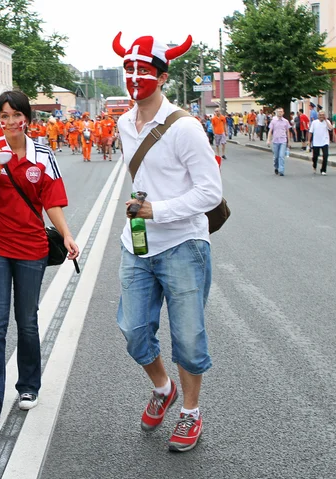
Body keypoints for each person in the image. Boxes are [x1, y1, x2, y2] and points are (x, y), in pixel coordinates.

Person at [112, 31, 222, 452]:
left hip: (183, 245)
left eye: (143, 70)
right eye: (129, 69)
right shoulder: (124, 122)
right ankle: (163, 387)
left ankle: (190, 413)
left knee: (189, 337)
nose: (135, 77)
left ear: (162, 77)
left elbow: (210, 192)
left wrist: (156, 210)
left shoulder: (186, 127)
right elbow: (142, 176)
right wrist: (144, 211)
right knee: (134, 330)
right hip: (137, 243)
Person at [0, 91, 80, 421]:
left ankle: (29, 384)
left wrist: (67, 235)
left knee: (27, 322)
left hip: (32, 248)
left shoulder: (43, 153)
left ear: (27, 118)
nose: (11, 122)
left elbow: (53, 201)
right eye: (4, 116)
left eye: (16, 115)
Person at [267, 107, 291, 176]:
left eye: (281, 111)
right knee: (276, 157)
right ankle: (276, 167)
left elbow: (288, 132)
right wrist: (268, 140)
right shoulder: (273, 121)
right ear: (276, 113)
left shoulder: (286, 121)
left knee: (281, 156)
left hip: (283, 140)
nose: (280, 113)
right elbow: (270, 131)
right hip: (275, 141)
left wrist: (289, 142)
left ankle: (281, 170)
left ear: (283, 113)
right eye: (278, 111)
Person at [309, 109, 333, 175]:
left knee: (325, 155)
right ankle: (314, 165)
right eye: (320, 115)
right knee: (315, 157)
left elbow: (331, 128)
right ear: (318, 116)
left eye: (323, 115)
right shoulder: (314, 122)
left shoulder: (327, 121)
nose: (321, 116)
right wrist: (309, 141)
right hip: (316, 142)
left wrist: (326, 120)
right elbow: (310, 132)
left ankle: (323, 170)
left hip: (325, 141)